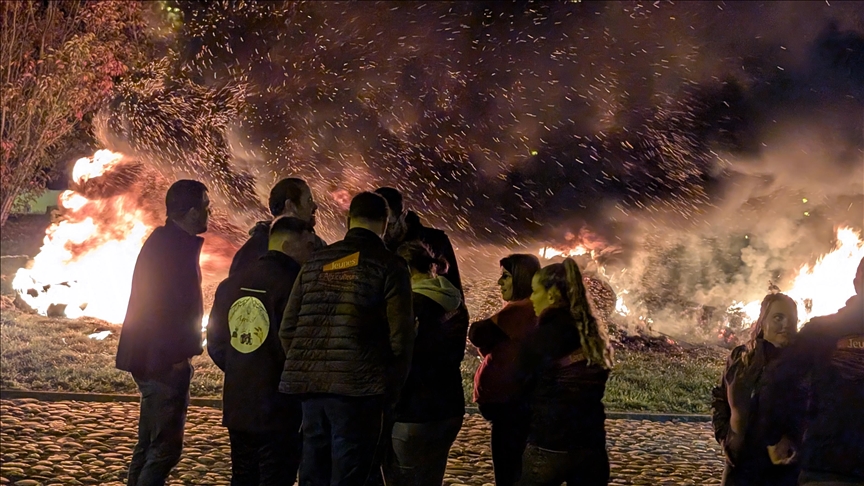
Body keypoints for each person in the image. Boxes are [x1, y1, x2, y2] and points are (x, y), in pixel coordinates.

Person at [279, 191, 415, 486]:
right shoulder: (389, 265)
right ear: (386, 222)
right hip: (359, 392)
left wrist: (310, 364)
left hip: (312, 392)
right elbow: (401, 337)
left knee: (313, 472)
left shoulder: (315, 262)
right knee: (352, 473)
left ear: (348, 219)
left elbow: (288, 328)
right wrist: (391, 387)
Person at [207, 216, 318, 486]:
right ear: (290, 243)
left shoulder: (232, 283)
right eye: (309, 245)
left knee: (243, 477)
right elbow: (303, 347)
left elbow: (216, 344)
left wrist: (243, 366)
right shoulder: (299, 286)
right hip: (281, 409)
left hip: (240, 406)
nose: (313, 252)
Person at [115, 180, 210, 486]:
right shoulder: (172, 248)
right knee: (165, 448)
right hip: (162, 364)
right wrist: (175, 358)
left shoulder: (168, 242)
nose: (210, 213)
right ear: (193, 212)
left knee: (150, 444)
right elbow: (164, 309)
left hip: (154, 359)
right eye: (206, 206)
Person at [759, 257, 864, 486]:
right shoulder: (820, 331)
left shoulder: (821, 331)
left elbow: (779, 380)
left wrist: (777, 435)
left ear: (856, 284)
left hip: (827, 463)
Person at [516, 257, 614, 486]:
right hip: (591, 446)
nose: (532, 298)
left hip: (550, 443)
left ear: (551, 295)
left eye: (535, 291)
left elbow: (520, 387)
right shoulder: (591, 335)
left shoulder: (541, 338)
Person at [384, 241, 466, 486]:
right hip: (449, 405)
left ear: (405, 270)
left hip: (413, 408)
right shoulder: (455, 300)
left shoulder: (410, 305)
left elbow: (396, 352)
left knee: (402, 478)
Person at [711, 293, 800, 486]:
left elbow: (813, 408)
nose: (786, 325)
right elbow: (720, 398)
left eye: (792, 320)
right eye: (778, 318)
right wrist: (727, 438)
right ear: (762, 322)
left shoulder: (802, 365)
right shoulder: (741, 358)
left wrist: (792, 441)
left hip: (782, 471)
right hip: (739, 466)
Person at [468, 254, 541, 486]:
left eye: (506, 277)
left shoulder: (521, 310)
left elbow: (478, 334)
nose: (500, 282)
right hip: (514, 401)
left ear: (521, 279)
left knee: (508, 470)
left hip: (511, 403)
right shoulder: (532, 308)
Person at [229, 178, 324, 276]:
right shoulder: (305, 246)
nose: (314, 206)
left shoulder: (247, 251)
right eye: (309, 200)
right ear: (290, 206)